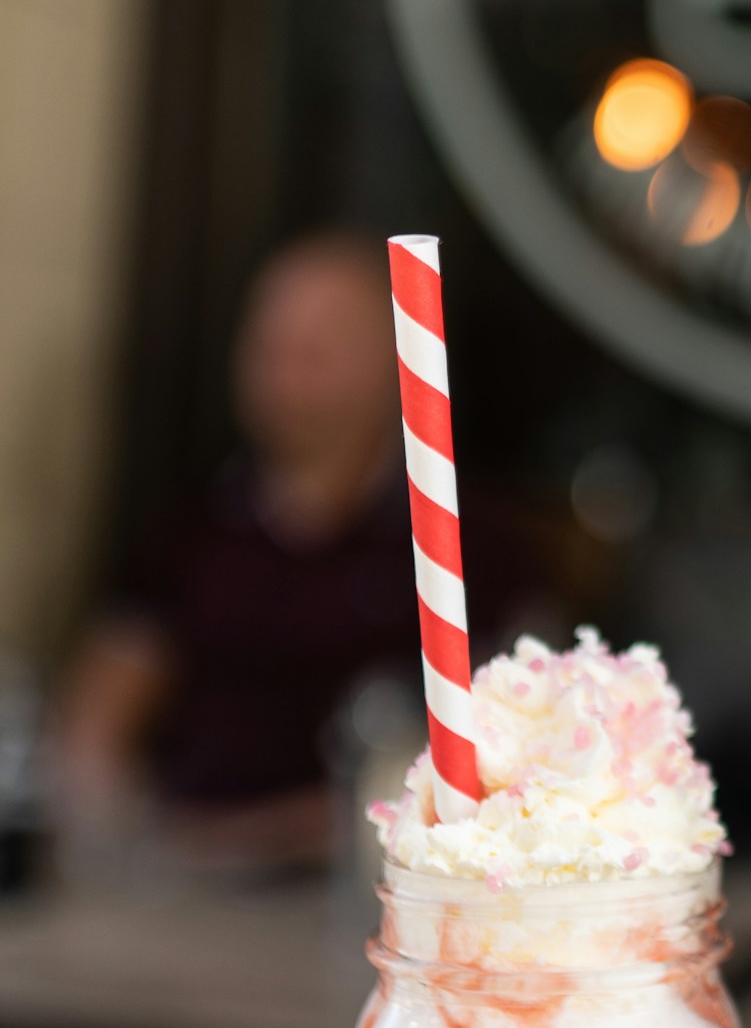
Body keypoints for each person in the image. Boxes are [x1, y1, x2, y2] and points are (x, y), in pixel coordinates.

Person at [53, 232, 536, 875]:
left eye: (314, 353)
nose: (283, 378)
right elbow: (97, 718)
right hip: (189, 879)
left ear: (397, 360)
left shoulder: (465, 544)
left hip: (379, 882)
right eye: (267, 350)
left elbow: (510, 754)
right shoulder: (193, 529)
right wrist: (126, 837)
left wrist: (294, 835)